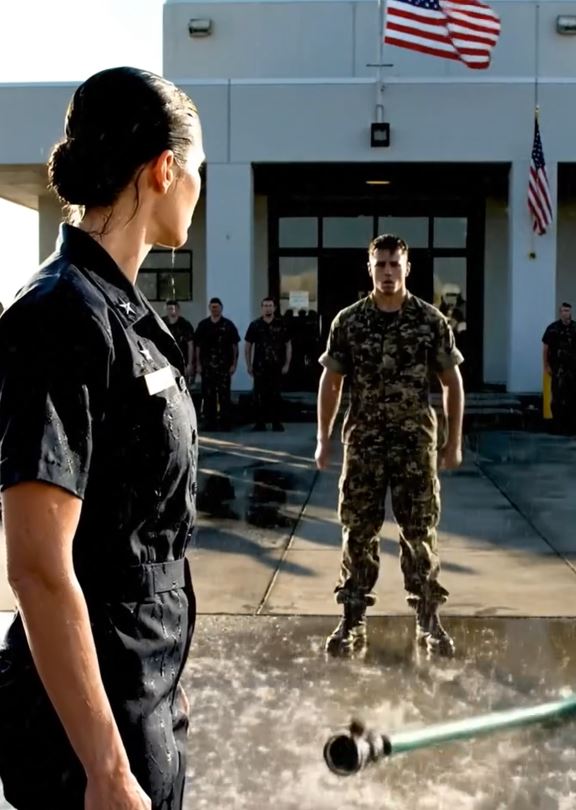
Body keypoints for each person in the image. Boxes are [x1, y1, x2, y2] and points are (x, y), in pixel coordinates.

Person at [0, 66, 204, 810]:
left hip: (143, 690)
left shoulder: (121, 313)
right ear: (164, 170)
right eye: (199, 170)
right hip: (87, 739)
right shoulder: (60, 315)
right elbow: (37, 565)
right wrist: (107, 769)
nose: (200, 189)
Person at [315, 234, 464, 658]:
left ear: (407, 268)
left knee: (420, 533)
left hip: (414, 446)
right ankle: (352, 618)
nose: (387, 272)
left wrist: (453, 441)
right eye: (379, 264)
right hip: (363, 444)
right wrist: (323, 438)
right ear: (369, 268)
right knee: (357, 532)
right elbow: (331, 381)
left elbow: (451, 381)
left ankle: (429, 620)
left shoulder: (430, 320)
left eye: (394, 264)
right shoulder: (348, 321)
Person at [244, 297, 291, 431]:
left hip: (276, 366)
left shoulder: (281, 324)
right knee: (259, 395)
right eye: (265, 306)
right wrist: (248, 365)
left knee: (276, 395)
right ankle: (260, 423)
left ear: (274, 308)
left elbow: (288, 345)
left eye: (270, 306)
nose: (267, 308)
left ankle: (277, 422)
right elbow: (248, 346)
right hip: (259, 366)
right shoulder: (255, 325)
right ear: (262, 308)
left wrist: (287, 364)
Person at [194, 297, 240, 430]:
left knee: (224, 395)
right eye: (212, 307)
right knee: (208, 395)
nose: (214, 309)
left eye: (217, 307)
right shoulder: (203, 325)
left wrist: (234, 364)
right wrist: (198, 364)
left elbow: (234, 346)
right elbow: (197, 346)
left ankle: (225, 423)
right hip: (207, 367)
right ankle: (210, 423)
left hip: (224, 367)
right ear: (209, 308)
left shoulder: (228, 325)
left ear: (221, 308)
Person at [542, 302, 576, 435]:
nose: (565, 313)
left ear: (571, 312)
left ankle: (571, 427)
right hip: (558, 368)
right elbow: (545, 349)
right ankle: (557, 426)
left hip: (573, 368)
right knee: (557, 397)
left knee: (572, 397)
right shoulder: (552, 329)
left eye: (567, 310)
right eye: (563, 310)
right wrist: (546, 365)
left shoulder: (574, 328)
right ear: (560, 313)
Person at [162, 300, 195, 381]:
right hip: (166, 361)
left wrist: (190, 363)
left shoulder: (185, 324)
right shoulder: (162, 323)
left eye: (174, 308)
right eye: (169, 309)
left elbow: (190, 344)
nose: (172, 311)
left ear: (178, 309)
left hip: (182, 361)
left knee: (182, 384)